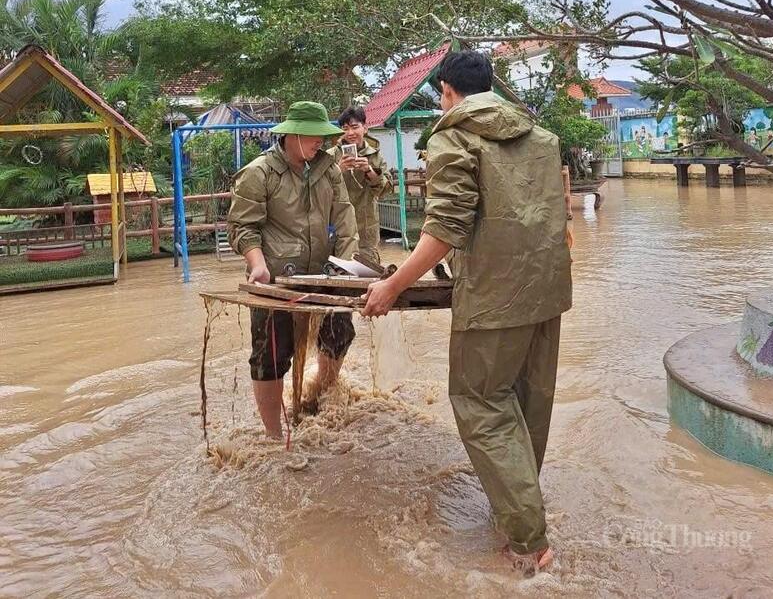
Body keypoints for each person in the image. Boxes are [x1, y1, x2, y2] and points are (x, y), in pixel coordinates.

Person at [361, 51, 572, 573]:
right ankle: (515, 514)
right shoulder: (542, 139)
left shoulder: (453, 138)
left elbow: (444, 230)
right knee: (528, 404)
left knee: (481, 403)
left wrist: (393, 285)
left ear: (447, 92)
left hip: (494, 298)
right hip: (547, 291)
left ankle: (529, 542)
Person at [228, 101, 359, 438]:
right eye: (315, 136)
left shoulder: (328, 170)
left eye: (322, 137)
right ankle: (274, 436)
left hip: (324, 273)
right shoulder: (259, 173)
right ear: (293, 135)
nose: (321, 142)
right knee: (270, 354)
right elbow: (243, 227)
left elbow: (345, 221)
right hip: (275, 279)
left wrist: (347, 267)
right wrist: (257, 265)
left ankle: (319, 399)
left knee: (339, 333)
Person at [328, 106, 393, 264]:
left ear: (365, 128)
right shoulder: (330, 156)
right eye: (345, 128)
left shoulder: (375, 156)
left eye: (355, 127)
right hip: (337, 228)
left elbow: (385, 190)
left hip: (366, 230)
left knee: (368, 272)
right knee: (337, 271)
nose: (350, 133)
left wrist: (369, 171)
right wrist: (339, 170)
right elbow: (318, 191)